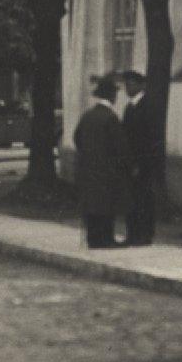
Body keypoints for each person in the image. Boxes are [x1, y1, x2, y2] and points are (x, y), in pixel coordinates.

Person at [72, 75, 130, 249]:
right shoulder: (110, 118)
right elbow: (120, 146)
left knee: (92, 203)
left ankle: (93, 238)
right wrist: (124, 164)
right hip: (107, 170)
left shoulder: (88, 116)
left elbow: (77, 138)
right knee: (106, 204)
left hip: (88, 168)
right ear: (112, 96)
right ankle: (106, 239)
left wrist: (88, 155)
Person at [120, 70, 163, 247]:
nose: (127, 88)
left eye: (131, 84)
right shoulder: (129, 107)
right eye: (126, 84)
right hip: (130, 163)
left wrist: (141, 163)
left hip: (143, 164)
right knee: (131, 199)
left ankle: (145, 235)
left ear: (140, 85)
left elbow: (151, 139)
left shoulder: (148, 107)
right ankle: (132, 234)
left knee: (144, 199)